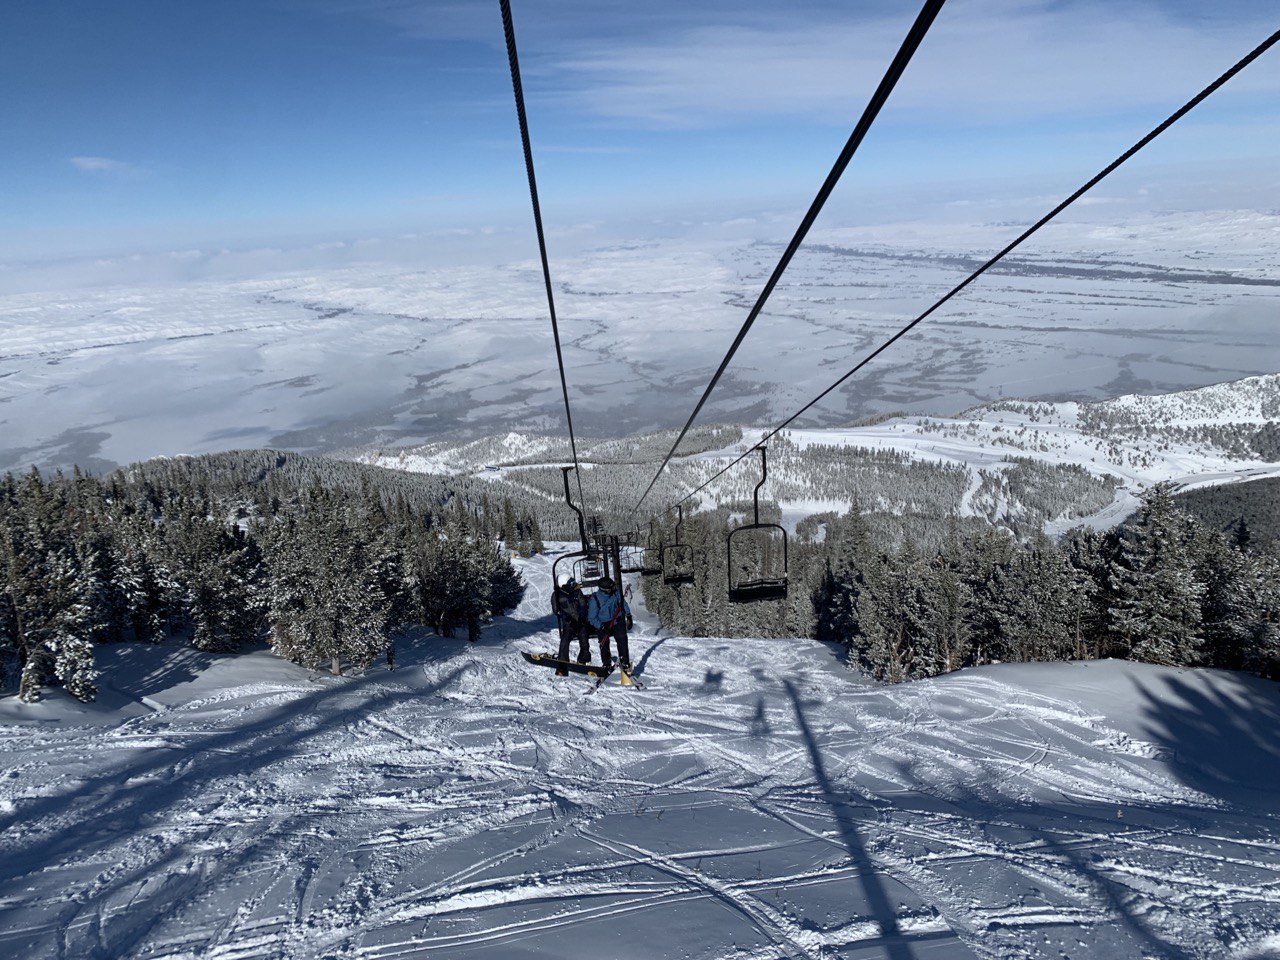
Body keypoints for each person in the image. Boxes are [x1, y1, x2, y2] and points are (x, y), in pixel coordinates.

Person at [586, 576, 633, 673]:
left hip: (616, 620)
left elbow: (623, 604)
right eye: (610, 588)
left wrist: (628, 615)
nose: (612, 589)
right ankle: (606, 663)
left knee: (622, 638)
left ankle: (625, 662)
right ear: (605, 590)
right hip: (603, 623)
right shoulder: (595, 599)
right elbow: (591, 618)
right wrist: (601, 626)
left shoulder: (615, 593)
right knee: (604, 642)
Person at [553, 578, 591, 675]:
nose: (573, 585)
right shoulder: (557, 595)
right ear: (564, 585)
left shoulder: (577, 592)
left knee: (584, 636)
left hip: (580, 621)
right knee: (565, 638)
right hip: (569, 623)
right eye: (571, 583)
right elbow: (557, 611)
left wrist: (582, 618)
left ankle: (583, 659)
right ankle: (562, 663)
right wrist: (567, 618)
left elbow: (583, 605)